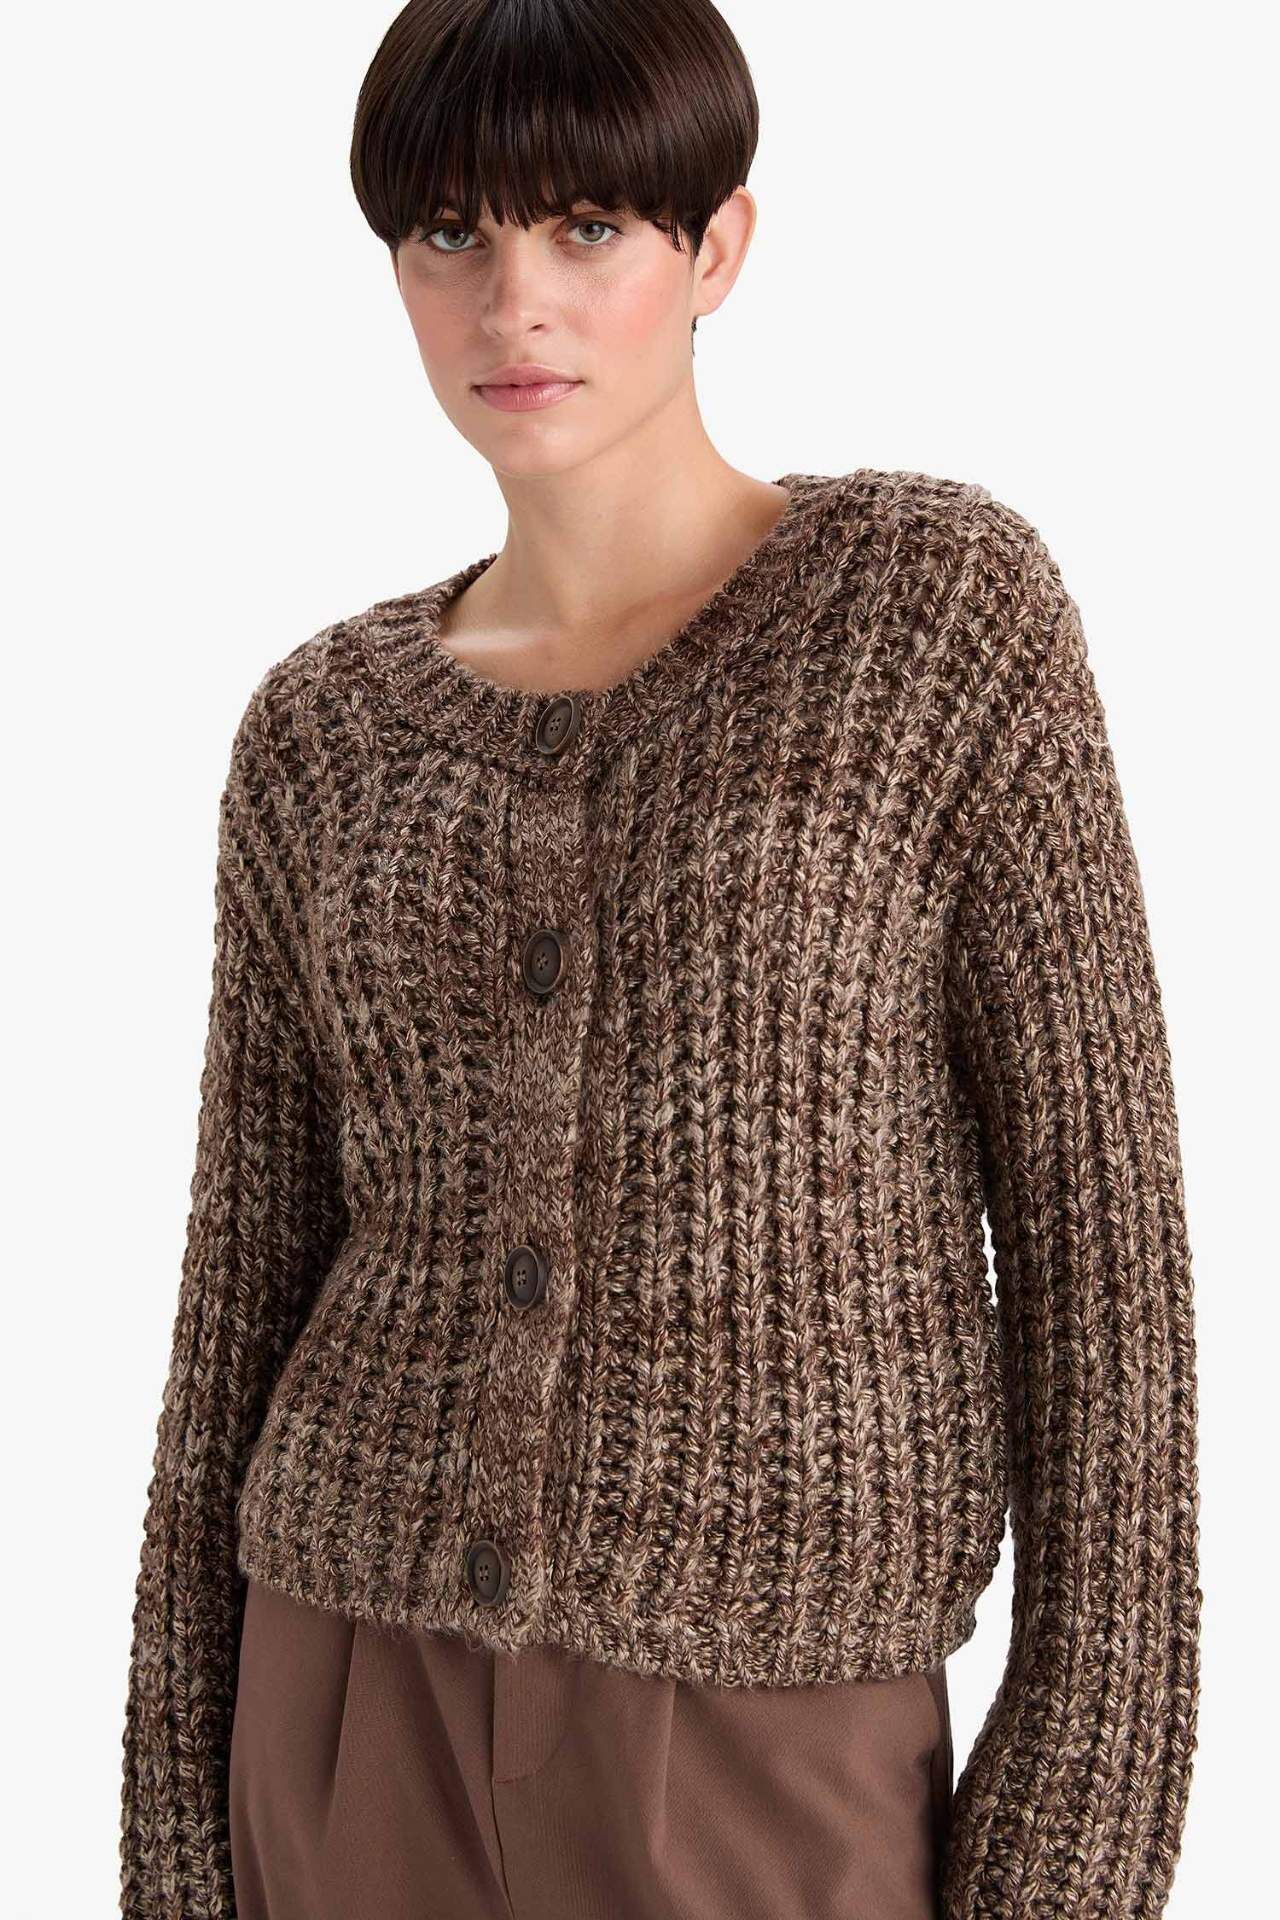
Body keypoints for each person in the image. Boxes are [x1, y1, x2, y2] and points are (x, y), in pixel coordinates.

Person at [118, 2, 1201, 1916]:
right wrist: (173, 1848)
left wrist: (1075, 1860)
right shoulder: (321, 734)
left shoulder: (934, 623)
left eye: (589, 226)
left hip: (771, 1732)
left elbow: (1104, 1270)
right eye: (449, 232)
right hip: (344, 1697)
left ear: (718, 249)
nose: (511, 301)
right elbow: (235, 1314)